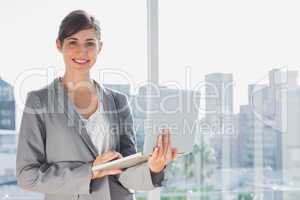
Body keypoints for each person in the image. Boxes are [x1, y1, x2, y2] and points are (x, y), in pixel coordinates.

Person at [16, 10, 177, 200]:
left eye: (90, 43)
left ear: (100, 47)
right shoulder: (39, 101)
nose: (82, 51)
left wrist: (153, 168)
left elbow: (126, 172)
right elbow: (27, 175)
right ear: (59, 45)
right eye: (73, 42)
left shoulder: (118, 102)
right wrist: (89, 172)